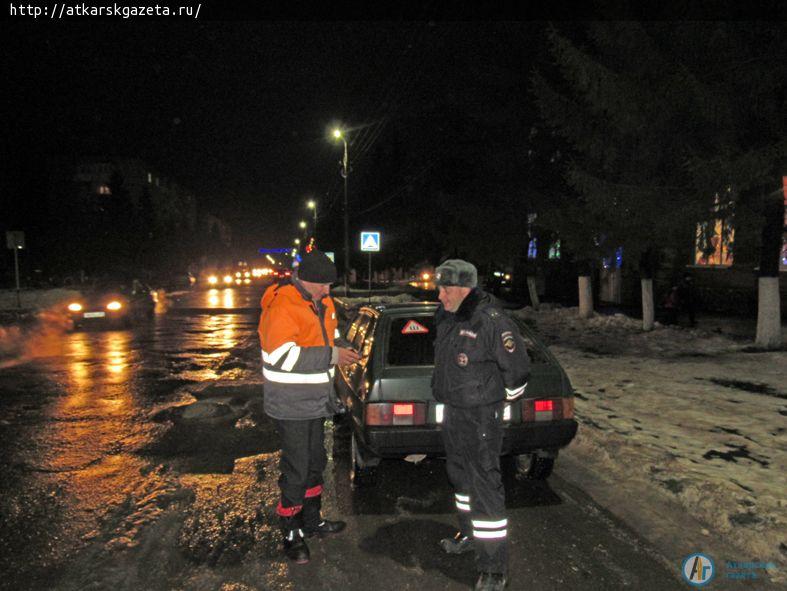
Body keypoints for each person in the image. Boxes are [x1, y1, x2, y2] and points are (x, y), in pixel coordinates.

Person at [432, 259, 530, 591]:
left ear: (464, 289)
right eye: (440, 288)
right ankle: (469, 535)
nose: (440, 295)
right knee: (460, 479)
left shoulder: (491, 321)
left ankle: (493, 568)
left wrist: (494, 403)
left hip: (480, 418)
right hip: (454, 413)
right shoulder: (448, 316)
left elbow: (516, 374)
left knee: (485, 487)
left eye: (445, 289)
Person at [258, 250, 360, 564]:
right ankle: (291, 533)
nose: (329, 291)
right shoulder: (283, 306)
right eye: (324, 285)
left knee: (316, 462)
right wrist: (332, 356)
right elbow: (281, 357)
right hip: (290, 404)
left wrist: (342, 346)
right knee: (297, 470)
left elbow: (331, 334)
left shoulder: (323, 303)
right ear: (307, 280)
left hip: (316, 401)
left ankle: (312, 521)